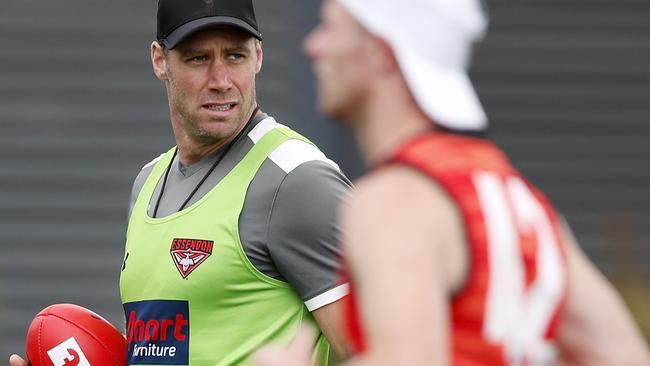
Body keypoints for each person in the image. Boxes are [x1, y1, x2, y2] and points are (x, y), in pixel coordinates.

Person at [253, 0, 650, 365]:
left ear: (379, 50)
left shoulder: (394, 202)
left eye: (330, 27)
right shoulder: (522, 202)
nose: (313, 46)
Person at [10, 0, 351, 365]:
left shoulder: (296, 179)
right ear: (160, 60)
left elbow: (390, 348)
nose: (221, 81)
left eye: (235, 56)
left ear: (259, 56)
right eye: (198, 58)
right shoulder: (149, 182)